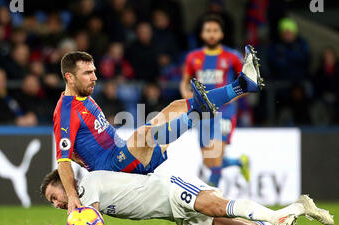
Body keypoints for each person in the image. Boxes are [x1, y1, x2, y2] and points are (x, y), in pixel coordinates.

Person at [53, 47, 263, 215]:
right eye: (88, 73)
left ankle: (242, 85)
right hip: (111, 166)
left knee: (176, 107)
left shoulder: (84, 96)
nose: (94, 77)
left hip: (124, 155)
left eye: (94, 72)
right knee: (145, 133)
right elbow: (62, 160)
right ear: (69, 78)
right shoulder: (65, 112)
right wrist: (72, 196)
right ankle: (200, 111)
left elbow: (71, 151)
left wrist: (79, 157)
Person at [17, 169, 334, 225]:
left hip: (169, 189)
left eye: (54, 197)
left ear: (64, 183)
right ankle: (283, 219)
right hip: (172, 215)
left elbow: (93, 223)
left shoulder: (89, 183)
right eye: (52, 204)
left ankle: (284, 212)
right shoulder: (80, 197)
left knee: (216, 206)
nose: (57, 204)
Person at [180, 15, 251, 187]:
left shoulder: (232, 56)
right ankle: (240, 162)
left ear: (221, 34)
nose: (211, 34)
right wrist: (187, 97)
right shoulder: (193, 57)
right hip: (203, 113)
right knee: (209, 161)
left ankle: (212, 201)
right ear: (202, 34)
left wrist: (229, 97)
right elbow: (184, 82)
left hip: (225, 112)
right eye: (208, 30)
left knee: (214, 154)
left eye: (215, 31)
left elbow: (248, 83)